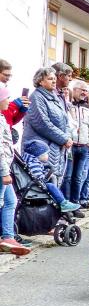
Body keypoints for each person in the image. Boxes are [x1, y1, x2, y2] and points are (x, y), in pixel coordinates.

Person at [23, 67, 72, 186]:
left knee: (55, 180)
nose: (54, 81)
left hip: (57, 146)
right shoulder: (36, 97)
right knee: (43, 183)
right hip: (42, 147)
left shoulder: (55, 98)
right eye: (50, 79)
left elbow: (65, 121)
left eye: (55, 78)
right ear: (40, 81)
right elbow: (42, 123)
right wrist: (64, 138)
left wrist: (68, 137)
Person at [0, 86, 27, 255]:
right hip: (1, 169)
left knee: (10, 201)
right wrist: (4, 172)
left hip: (4, 166)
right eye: (6, 98)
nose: (8, 102)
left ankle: (8, 236)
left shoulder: (2, 117)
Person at [21, 140, 81, 212]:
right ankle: (63, 203)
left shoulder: (34, 161)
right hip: (36, 185)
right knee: (51, 186)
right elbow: (38, 177)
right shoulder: (34, 164)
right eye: (46, 154)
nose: (48, 156)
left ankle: (63, 201)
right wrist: (47, 176)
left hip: (35, 183)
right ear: (39, 155)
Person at [62, 80, 89, 205]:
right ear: (75, 90)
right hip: (71, 145)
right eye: (82, 90)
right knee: (68, 176)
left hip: (84, 147)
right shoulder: (68, 105)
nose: (85, 93)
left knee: (78, 177)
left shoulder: (88, 107)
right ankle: (67, 203)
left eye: (86, 91)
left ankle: (75, 204)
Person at [0, 58, 30, 130]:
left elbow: (10, 121)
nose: (8, 78)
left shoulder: (4, 88)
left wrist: (21, 111)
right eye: (6, 75)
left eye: (10, 75)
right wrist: (15, 105)